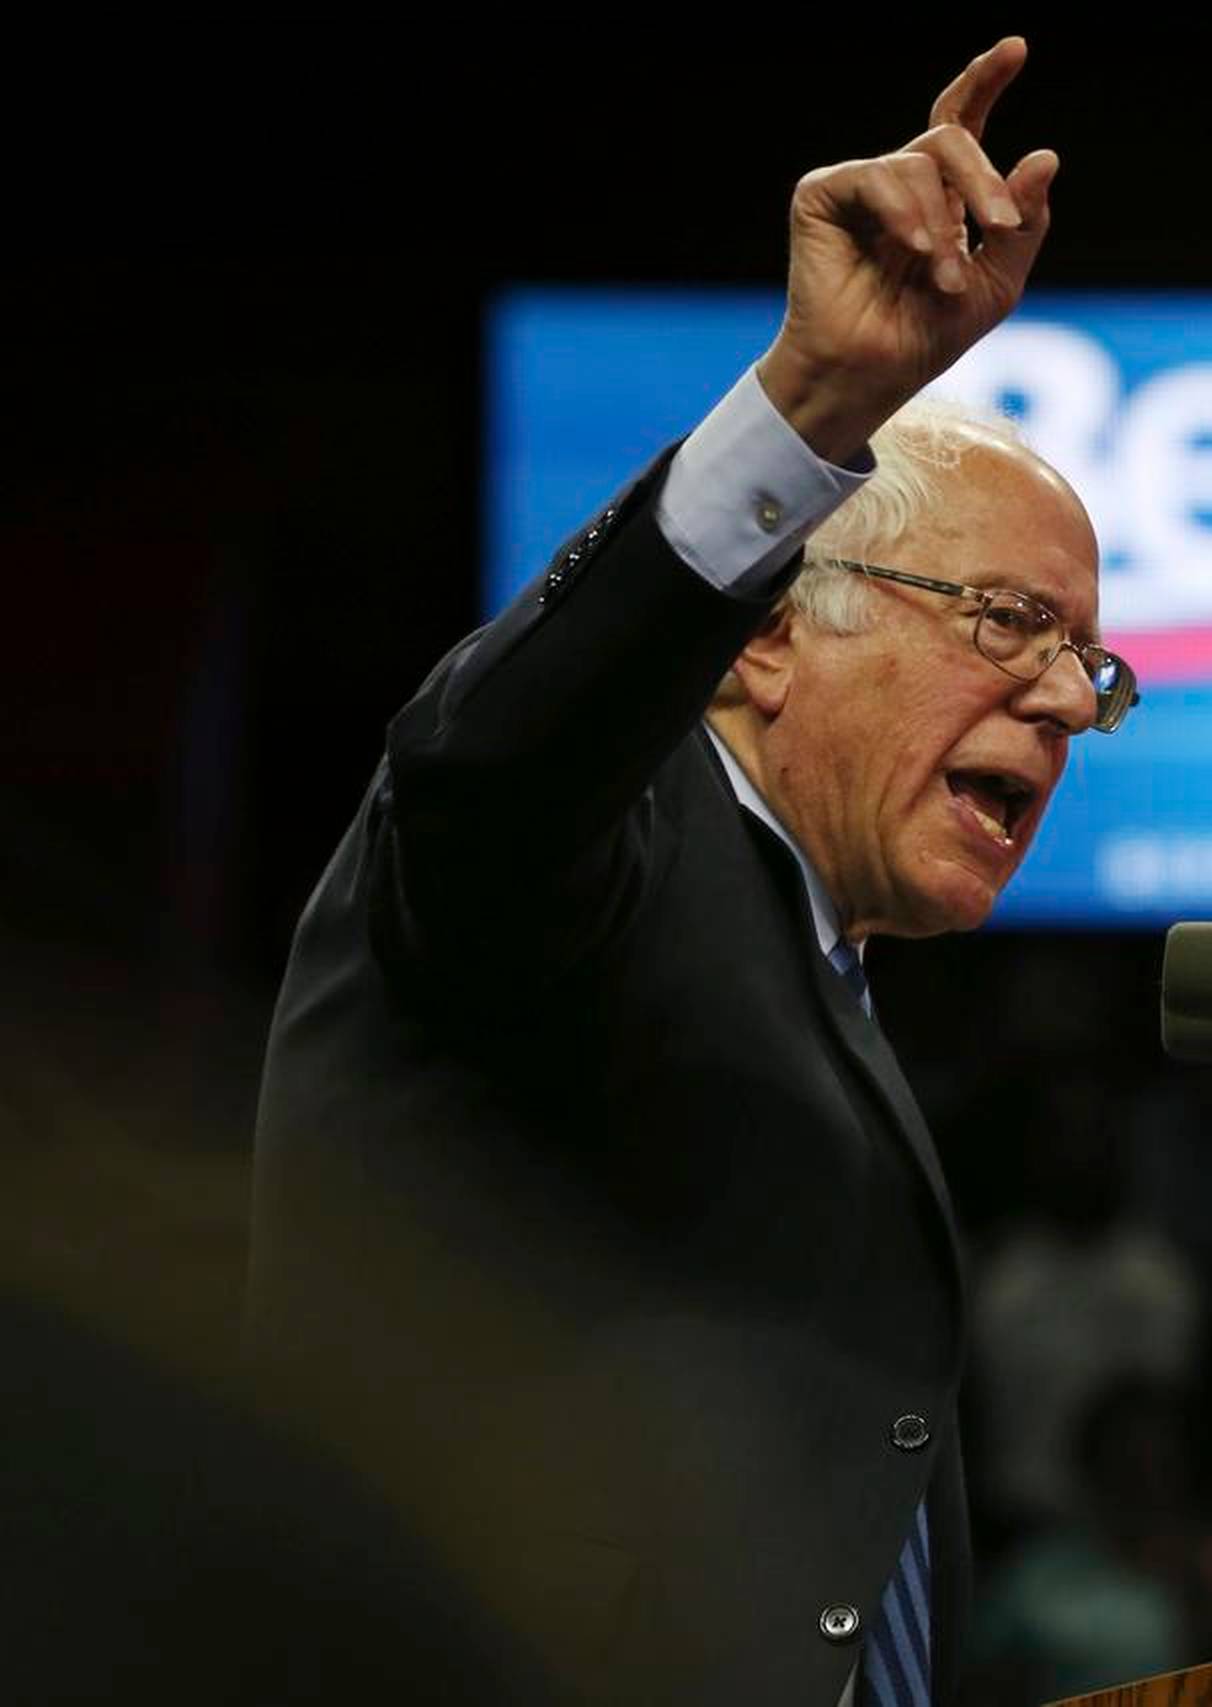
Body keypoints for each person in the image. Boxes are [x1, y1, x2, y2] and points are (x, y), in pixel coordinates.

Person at [240, 38, 1125, 1706]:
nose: (1072, 697)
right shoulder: (592, 846)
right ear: (776, 632)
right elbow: (492, 762)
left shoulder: (820, 954)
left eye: (1093, 662)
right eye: (1011, 623)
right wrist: (811, 404)